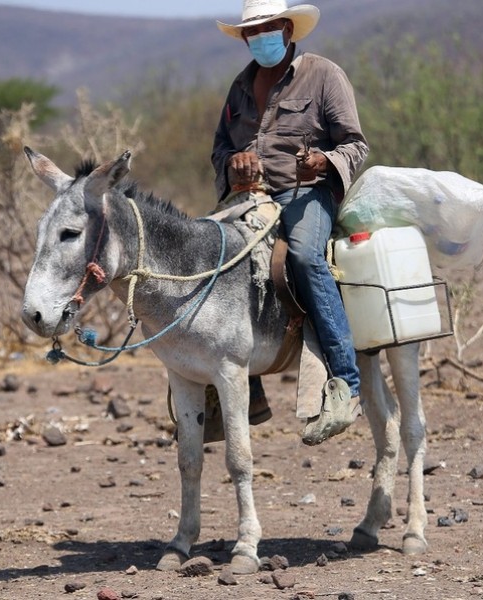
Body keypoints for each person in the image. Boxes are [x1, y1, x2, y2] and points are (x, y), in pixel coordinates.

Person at [212, 0, 369, 444]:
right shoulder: (239, 87)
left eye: (267, 28)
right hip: (251, 198)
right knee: (207, 252)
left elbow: (355, 144)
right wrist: (233, 166)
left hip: (308, 193)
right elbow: (220, 149)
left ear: (286, 27)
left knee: (302, 256)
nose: (258, 37)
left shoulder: (323, 74)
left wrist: (322, 161)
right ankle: (235, 390)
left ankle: (345, 385)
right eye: (251, 31)